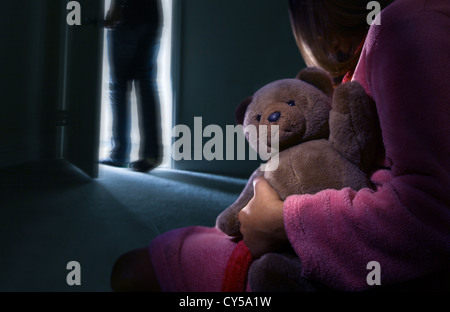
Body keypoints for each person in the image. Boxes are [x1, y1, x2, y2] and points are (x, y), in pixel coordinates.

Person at [111, 0, 450, 291]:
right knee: (163, 252)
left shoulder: (405, 26)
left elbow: (431, 215)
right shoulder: (389, 38)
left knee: (131, 273)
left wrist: (281, 223)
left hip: (322, 244)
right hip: (316, 229)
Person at [100, 0, 164, 173]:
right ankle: (151, 154)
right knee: (146, 85)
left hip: (128, 14)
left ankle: (120, 153)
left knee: (120, 87)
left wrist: (115, 8)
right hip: (152, 15)